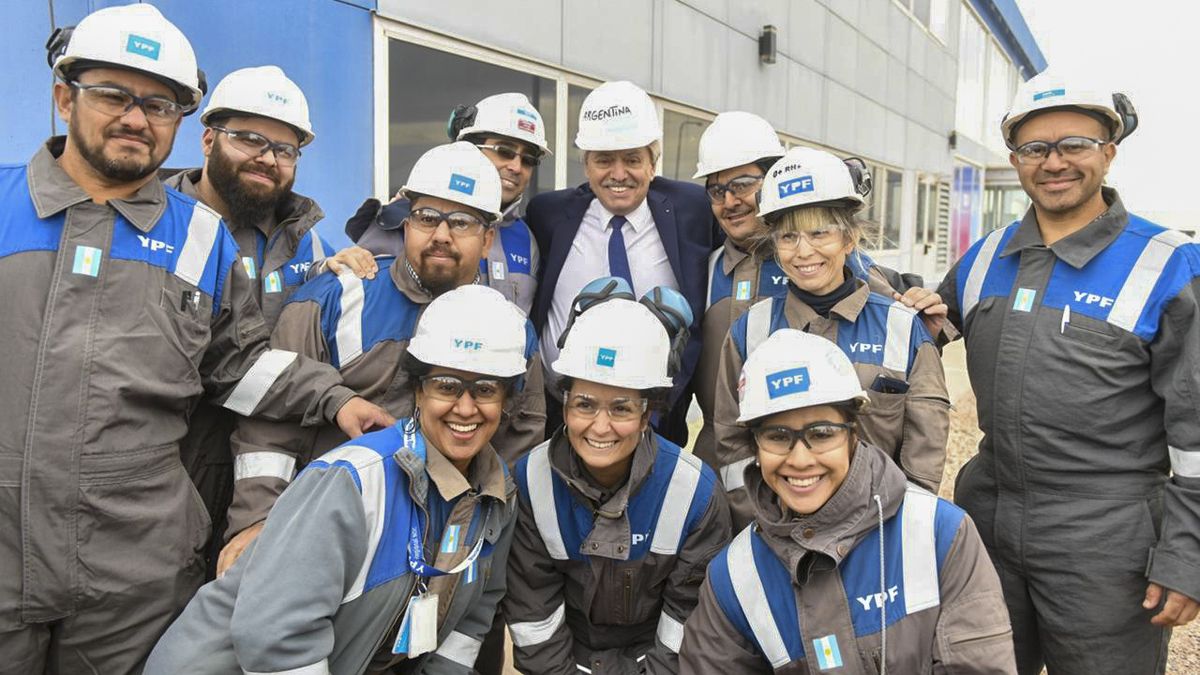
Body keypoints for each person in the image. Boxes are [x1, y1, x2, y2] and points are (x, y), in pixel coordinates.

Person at [0, 6, 390, 673]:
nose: (135, 117)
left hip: (132, 573)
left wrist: (335, 399)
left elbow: (235, 364)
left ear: (179, 121)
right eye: (112, 95)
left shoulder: (200, 237)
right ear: (64, 96)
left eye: (157, 104)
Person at [936, 72, 1200, 674]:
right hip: (988, 531)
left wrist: (1187, 555)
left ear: (1108, 151)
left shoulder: (1168, 264)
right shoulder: (986, 256)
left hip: (1106, 547)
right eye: (1035, 148)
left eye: (1074, 144)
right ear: (1016, 161)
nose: (1054, 162)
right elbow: (920, 333)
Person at [147, 284, 532, 675]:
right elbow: (276, 637)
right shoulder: (353, 481)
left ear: (506, 400)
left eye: (485, 389)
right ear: (417, 391)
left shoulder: (497, 497)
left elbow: (472, 618)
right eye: (446, 386)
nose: (465, 408)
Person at [218, 141, 546, 576]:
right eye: (428, 217)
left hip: (443, 548)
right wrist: (258, 519)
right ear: (406, 224)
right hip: (325, 536)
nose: (442, 235)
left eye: (462, 222)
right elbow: (270, 424)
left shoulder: (510, 330)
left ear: (487, 239)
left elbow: (519, 437)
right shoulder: (335, 299)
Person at [680, 329, 1016, 673]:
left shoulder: (939, 535)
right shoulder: (736, 575)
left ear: (853, 434)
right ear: (755, 446)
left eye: (821, 433)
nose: (799, 459)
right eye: (778, 437)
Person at [164, 65, 370, 577]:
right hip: (172, 457)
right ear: (208, 138)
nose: (267, 158)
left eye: (284, 149)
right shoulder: (157, 224)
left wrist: (328, 272)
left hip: (266, 458)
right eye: (249, 139)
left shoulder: (309, 243)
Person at [711, 146, 950, 528]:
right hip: (778, 531)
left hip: (880, 531)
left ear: (849, 239)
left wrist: (899, 533)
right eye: (788, 237)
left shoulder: (902, 327)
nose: (804, 251)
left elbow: (924, 454)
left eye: (819, 232)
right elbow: (731, 443)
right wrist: (764, 525)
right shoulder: (750, 330)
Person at [505, 278, 731, 674]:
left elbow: (685, 626)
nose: (600, 427)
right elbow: (534, 617)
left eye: (622, 409)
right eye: (585, 405)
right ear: (565, 403)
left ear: (647, 415)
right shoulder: (529, 483)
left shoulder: (693, 493)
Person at [527, 80, 716, 446]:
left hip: (659, 420)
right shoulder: (548, 214)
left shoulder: (693, 209)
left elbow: (753, 237)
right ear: (585, 163)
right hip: (561, 417)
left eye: (632, 159)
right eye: (603, 160)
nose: (618, 174)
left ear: (653, 162)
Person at [339, 92, 550, 314]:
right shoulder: (401, 219)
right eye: (504, 151)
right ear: (469, 147)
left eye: (528, 160)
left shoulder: (526, 240)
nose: (516, 167)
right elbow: (355, 299)